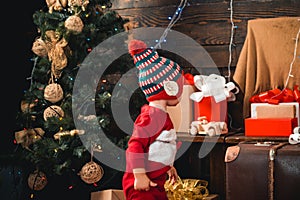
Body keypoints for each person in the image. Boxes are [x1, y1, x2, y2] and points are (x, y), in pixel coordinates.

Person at [122, 39, 185, 200]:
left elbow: (158, 147)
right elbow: (135, 146)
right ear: (169, 88)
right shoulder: (151, 116)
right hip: (142, 186)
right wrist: (140, 175)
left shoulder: (162, 115)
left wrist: (167, 167)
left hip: (156, 181)